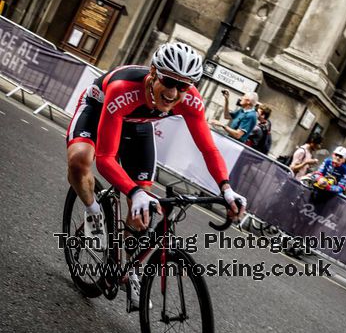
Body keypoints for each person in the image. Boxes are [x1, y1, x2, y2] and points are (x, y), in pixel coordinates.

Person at [66, 42, 247, 309]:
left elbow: (208, 148)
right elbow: (104, 159)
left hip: (138, 127)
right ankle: (94, 215)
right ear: (153, 72)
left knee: (143, 211)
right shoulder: (124, 89)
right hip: (99, 111)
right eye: (168, 81)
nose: (174, 93)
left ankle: (128, 270)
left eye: (183, 86)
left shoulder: (191, 100)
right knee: (80, 161)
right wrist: (133, 191)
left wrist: (226, 189)